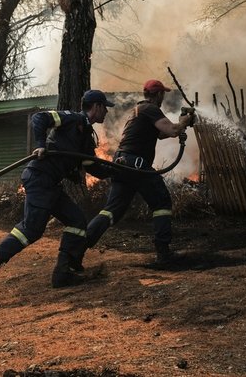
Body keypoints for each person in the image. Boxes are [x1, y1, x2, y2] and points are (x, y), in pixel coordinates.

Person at [0, 89, 116, 300]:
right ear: (97, 107)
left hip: (51, 185)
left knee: (76, 220)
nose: (107, 113)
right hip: (40, 178)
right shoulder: (71, 118)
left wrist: (116, 170)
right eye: (105, 109)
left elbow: (93, 167)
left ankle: (62, 273)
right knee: (31, 229)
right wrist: (40, 145)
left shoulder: (85, 137)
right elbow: (40, 118)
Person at [83, 79, 194, 267]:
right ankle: (164, 254)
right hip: (137, 165)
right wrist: (184, 121)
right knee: (162, 202)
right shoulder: (150, 109)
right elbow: (173, 130)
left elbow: (160, 134)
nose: (163, 98)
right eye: (163, 94)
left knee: (112, 211)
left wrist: (178, 128)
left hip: (123, 164)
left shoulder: (138, 110)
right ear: (158, 94)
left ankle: (79, 244)